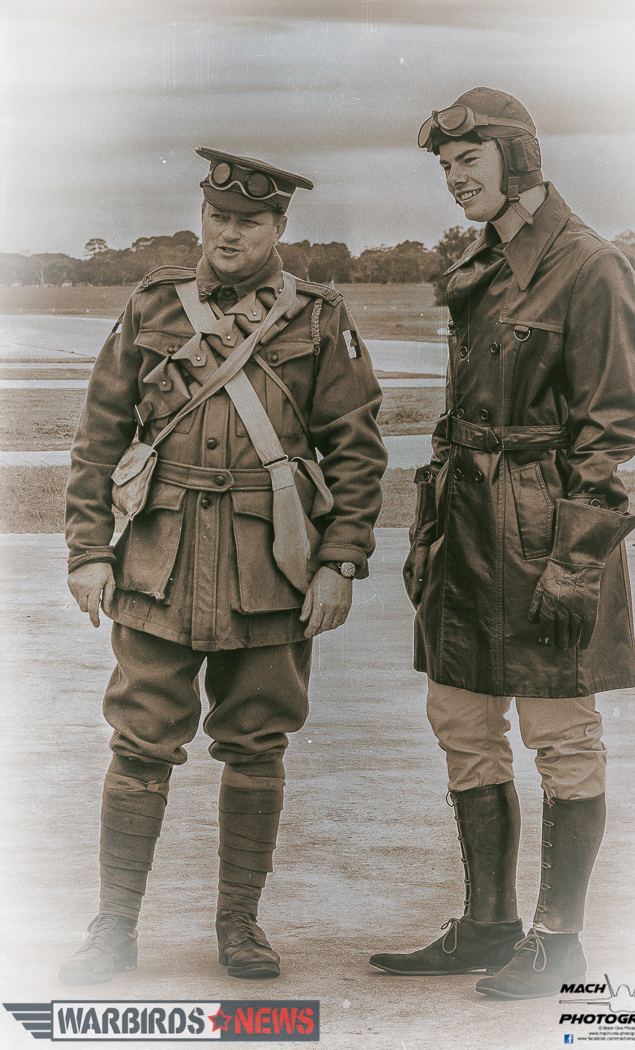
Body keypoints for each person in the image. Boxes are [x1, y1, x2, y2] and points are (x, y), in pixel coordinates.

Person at [61, 148, 387, 983]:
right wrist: (88, 552)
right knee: (138, 745)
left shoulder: (317, 317)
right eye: (219, 216)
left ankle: (240, 927)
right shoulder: (152, 307)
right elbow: (98, 438)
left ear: (279, 227)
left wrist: (339, 563)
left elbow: (356, 451)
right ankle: (113, 927)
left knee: (257, 746)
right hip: (156, 563)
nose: (230, 232)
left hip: (269, 566)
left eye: (249, 220)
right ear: (203, 216)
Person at [369, 87, 635, 999]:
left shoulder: (589, 266)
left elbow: (608, 434)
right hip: (468, 526)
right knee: (461, 720)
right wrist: (429, 525)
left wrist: (577, 560)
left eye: (469, 161)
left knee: (560, 730)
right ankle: (488, 926)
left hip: (544, 529)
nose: (454, 180)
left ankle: (557, 939)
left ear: (517, 159)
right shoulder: (479, 265)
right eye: (446, 168)